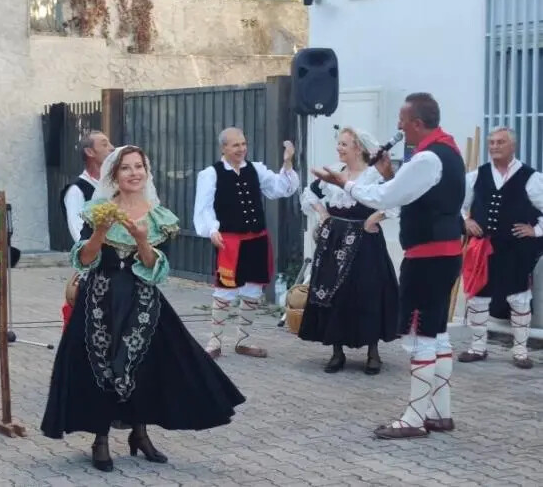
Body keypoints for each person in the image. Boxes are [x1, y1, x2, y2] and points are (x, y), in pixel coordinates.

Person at [41, 145, 246, 472]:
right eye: (126, 168)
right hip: (100, 299)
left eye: (139, 167)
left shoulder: (159, 216)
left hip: (143, 302)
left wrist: (141, 240)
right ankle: (101, 439)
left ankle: (140, 433)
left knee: (144, 367)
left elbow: (157, 269)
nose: (134, 173)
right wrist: (100, 232)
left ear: (146, 173)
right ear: (115, 175)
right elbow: (83, 259)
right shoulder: (99, 210)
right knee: (100, 367)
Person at [313, 92, 464, 439]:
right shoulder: (449, 152)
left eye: (402, 120)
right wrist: (389, 172)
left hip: (428, 259)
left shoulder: (427, 159)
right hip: (444, 254)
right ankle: (440, 412)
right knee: (437, 333)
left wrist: (343, 183)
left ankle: (414, 418)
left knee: (420, 335)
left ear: (417, 123)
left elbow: (384, 198)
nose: (398, 127)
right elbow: (417, 193)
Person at [299, 127, 400, 375]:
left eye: (344, 144)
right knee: (334, 294)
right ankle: (337, 352)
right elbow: (310, 192)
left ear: (358, 147)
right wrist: (322, 213)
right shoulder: (335, 173)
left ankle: (373, 353)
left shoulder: (374, 176)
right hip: (334, 242)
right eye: (339, 144)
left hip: (365, 244)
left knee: (368, 292)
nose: (339, 148)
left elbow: (396, 199)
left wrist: (375, 218)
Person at [193, 128, 300, 358]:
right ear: (224, 148)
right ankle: (214, 342)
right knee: (224, 290)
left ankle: (243, 340)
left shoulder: (256, 169)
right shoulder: (211, 174)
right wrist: (211, 229)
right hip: (230, 241)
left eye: (243, 144)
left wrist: (288, 163)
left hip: (257, 240)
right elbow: (203, 208)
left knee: (252, 290)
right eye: (235, 145)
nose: (241, 149)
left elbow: (281, 188)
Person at [459, 127, 542, 369]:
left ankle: (520, 351)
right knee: (478, 298)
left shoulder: (531, 177)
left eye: (500, 142)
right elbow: (460, 205)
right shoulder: (476, 176)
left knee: (519, 298)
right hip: (482, 249)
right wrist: (466, 221)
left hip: (516, 250)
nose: (494, 146)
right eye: (491, 142)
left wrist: (535, 230)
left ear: (513, 146)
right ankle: (477, 347)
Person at [59, 130, 114, 327]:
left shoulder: (112, 186)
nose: (112, 148)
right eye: (105, 144)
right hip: (94, 262)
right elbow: (78, 231)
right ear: (90, 152)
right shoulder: (77, 190)